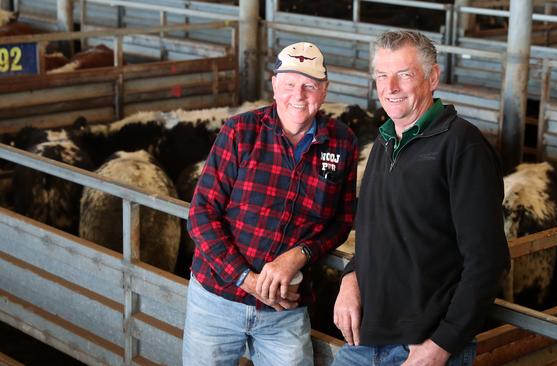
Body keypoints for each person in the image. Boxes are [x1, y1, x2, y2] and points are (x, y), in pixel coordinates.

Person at [332, 30, 510, 366]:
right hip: (366, 339)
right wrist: (351, 277)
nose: (391, 87)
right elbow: (379, 231)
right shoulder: (384, 142)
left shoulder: (462, 146)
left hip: (422, 347)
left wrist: (441, 345)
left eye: (404, 74)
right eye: (382, 76)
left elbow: (488, 260)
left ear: (433, 78)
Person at [182, 41, 359, 366]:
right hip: (216, 300)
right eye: (289, 83)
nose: (299, 95)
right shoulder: (240, 131)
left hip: (285, 309)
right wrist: (247, 280)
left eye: (309, 85)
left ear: (324, 90)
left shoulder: (343, 142)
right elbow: (201, 215)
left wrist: (299, 255)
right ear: (274, 84)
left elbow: (341, 221)